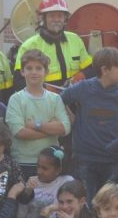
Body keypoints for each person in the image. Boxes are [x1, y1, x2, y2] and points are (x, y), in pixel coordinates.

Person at [60, 46, 118, 197]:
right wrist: (69, 117)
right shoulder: (83, 88)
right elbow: (58, 101)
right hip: (85, 158)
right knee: (87, 203)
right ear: (105, 70)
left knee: (106, 202)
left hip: (111, 158)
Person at [6, 48, 71, 178]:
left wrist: (36, 125)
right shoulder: (16, 99)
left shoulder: (55, 98)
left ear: (46, 72)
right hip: (24, 161)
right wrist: (51, 129)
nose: (34, 72)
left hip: (52, 162)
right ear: (23, 72)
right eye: (29, 68)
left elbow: (65, 128)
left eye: (38, 68)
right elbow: (19, 132)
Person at [15, 0, 92, 90]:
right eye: (52, 16)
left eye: (60, 16)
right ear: (43, 19)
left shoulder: (75, 40)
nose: (56, 20)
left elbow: (90, 69)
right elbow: (19, 81)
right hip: (43, 101)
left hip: (73, 99)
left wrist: (79, 77)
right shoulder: (29, 46)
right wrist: (45, 89)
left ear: (65, 18)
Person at [15, 146, 74, 218]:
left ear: (58, 170)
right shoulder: (31, 184)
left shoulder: (66, 182)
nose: (39, 171)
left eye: (44, 168)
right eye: (38, 166)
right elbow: (20, 217)